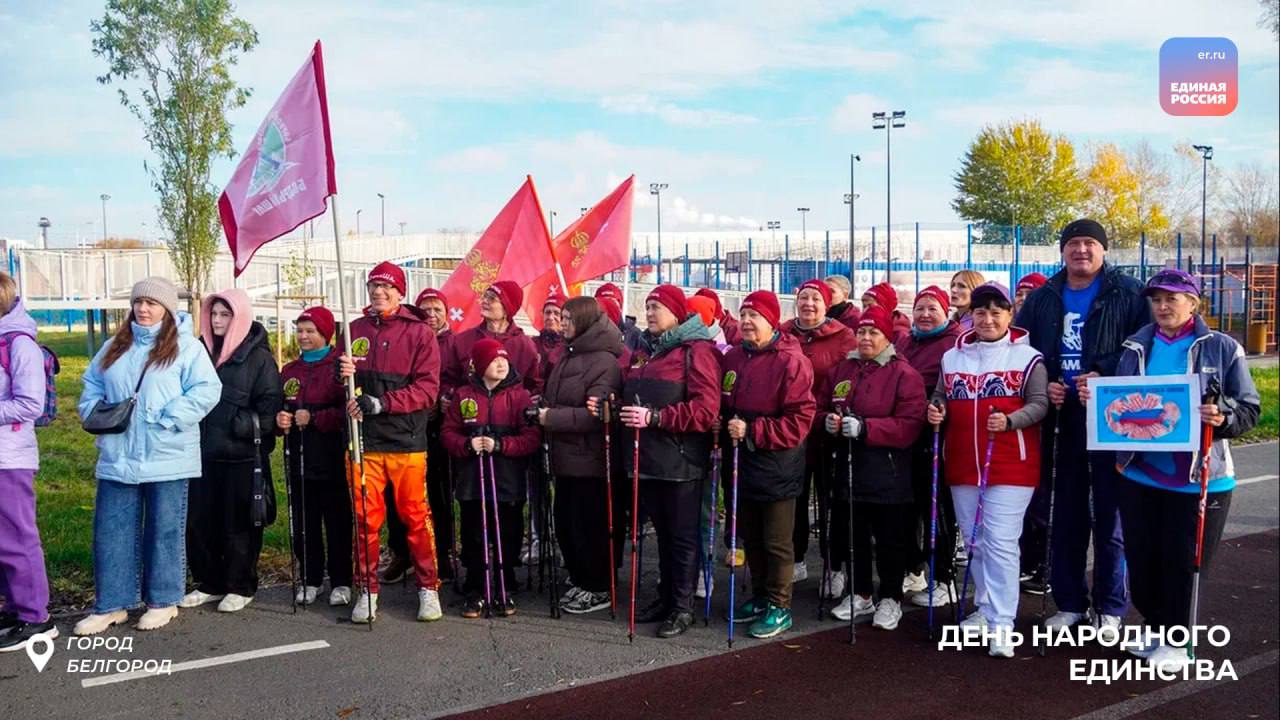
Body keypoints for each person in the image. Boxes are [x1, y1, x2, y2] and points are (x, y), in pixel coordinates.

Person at [1088, 269, 1259, 670]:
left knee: (1182, 561)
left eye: (1173, 299)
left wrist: (1222, 416)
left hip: (1200, 476)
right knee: (1143, 556)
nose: (1163, 307)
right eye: (1157, 300)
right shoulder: (1135, 347)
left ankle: (1177, 639)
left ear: (1193, 304)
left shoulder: (1222, 347)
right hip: (1139, 472)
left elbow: (1249, 408)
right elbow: (1120, 403)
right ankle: (1154, 625)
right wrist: (1095, 391)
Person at [1015, 219, 1149, 635]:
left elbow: (1144, 347)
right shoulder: (1043, 298)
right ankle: (1070, 601)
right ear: (1062, 251)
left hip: (1111, 417)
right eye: (1073, 244)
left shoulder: (1128, 293)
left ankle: (1110, 606)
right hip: (1063, 418)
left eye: (1090, 243)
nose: (1082, 251)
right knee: (1065, 515)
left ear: (1104, 250)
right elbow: (1027, 352)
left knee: (1109, 517)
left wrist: (1103, 374)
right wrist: (1047, 383)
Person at [74, 278, 221, 635]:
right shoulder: (114, 346)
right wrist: (93, 410)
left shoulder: (186, 347)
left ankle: (163, 600)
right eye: (138, 302)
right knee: (111, 531)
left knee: (164, 530)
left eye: (152, 303)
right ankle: (112, 604)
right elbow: (91, 382)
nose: (143, 309)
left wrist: (170, 418)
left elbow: (207, 389)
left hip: (166, 454)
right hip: (118, 454)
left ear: (167, 310)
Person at [927, 283, 1048, 658]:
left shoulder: (1029, 357)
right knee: (975, 541)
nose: (988, 318)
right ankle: (985, 607)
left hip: (1012, 462)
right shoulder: (953, 357)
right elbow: (941, 395)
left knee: (1000, 542)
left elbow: (1040, 403)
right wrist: (936, 410)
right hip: (963, 462)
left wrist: (1012, 421)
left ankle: (1003, 624)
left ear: (1010, 315)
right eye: (981, 312)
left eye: (997, 311)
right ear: (970, 316)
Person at [338, 261, 443, 624]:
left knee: (415, 518)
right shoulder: (354, 330)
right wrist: (344, 377)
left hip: (407, 443)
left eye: (386, 287)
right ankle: (366, 590)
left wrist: (383, 403)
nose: (379, 293)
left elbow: (428, 390)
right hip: (363, 442)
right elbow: (344, 388)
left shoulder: (420, 334)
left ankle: (428, 588)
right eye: (373, 287)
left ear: (400, 292)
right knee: (365, 521)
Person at [618, 285, 721, 638]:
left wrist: (657, 418)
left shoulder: (697, 351)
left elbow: (706, 410)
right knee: (662, 534)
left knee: (681, 537)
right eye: (647, 307)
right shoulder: (645, 350)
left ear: (677, 313)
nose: (649, 313)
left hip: (680, 459)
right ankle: (665, 598)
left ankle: (682, 606)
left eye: (657, 307)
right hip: (647, 458)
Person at [821, 306, 926, 631]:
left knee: (890, 539)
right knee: (854, 535)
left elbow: (909, 425)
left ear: (887, 337)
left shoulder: (904, 374)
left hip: (888, 473)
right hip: (849, 469)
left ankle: (891, 597)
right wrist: (827, 421)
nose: (866, 338)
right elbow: (824, 404)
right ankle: (860, 591)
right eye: (862, 332)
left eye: (874, 333)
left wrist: (868, 428)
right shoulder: (844, 369)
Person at [720, 291, 815, 639]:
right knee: (752, 537)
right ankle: (760, 595)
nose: (746, 321)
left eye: (754, 316)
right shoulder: (733, 357)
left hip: (776, 465)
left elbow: (800, 420)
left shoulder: (791, 362)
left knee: (776, 541)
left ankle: (780, 604)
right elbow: (726, 402)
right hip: (740, 462)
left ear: (772, 321)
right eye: (743, 314)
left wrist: (754, 430)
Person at [180, 289, 282, 614]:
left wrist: (241, 424)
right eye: (214, 314)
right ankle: (210, 582)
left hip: (241, 456)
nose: (218, 320)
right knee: (200, 522)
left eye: (225, 315)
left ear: (239, 318)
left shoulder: (259, 358)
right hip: (200, 454)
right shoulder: (198, 351)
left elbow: (270, 409)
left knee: (239, 524)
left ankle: (241, 585)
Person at [538, 297, 625, 614]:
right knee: (566, 523)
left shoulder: (604, 361)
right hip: (566, 459)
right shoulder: (567, 355)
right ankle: (580, 577)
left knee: (590, 527)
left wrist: (551, 418)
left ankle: (598, 584)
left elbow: (595, 414)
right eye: (561, 317)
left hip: (592, 462)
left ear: (586, 321)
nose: (562, 324)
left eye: (568, 318)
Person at [441, 340, 539, 617]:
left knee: (508, 532)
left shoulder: (519, 396)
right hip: (473, 479)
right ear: (481, 364)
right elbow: (448, 433)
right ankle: (475, 586)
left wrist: (502, 445)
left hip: (507, 480)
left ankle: (505, 581)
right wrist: (465, 445)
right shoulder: (464, 395)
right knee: (473, 533)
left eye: (504, 360)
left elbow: (531, 437)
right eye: (494, 360)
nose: (501, 364)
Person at [780, 279, 856, 594]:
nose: (809, 304)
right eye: (804, 297)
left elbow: (851, 377)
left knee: (831, 501)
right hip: (792, 432)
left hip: (827, 430)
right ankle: (795, 559)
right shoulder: (784, 334)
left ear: (827, 305)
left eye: (816, 299)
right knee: (794, 499)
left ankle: (834, 565)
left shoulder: (843, 337)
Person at [276, 306, 353, 607]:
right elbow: (282, 404)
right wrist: (280, 419)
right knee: (304, 522)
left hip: (331, 455)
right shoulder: (290, 371)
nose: (304, 336)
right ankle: (310, 578)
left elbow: (346, 410)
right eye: (300, 330)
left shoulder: (338, 367)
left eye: (310, 331)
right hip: (299, 456)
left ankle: (342, 580)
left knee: (336, 522)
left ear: (324, 334)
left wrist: (316, 418)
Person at [895, 285, 964, 609]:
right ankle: (914, 567)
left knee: (935, 507)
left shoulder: (954, 344)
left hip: (936, 433)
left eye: (932, 309)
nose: (924, 314)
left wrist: (937, 406)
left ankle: (943, 577)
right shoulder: (905, 341)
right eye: (919, 308)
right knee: (906, 506)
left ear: (945, 311)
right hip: (905, 433)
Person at [383, 287, 457, 585]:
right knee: (395, 493)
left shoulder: (455, 343)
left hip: (439, 427)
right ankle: (401, 552)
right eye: (426, 308)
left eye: (437, 309)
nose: (432, 314)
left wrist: (447, 399)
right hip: (404, 424)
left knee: (437, 494)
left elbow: (463, 378)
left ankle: (442, 552)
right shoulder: (407, 336)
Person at [0, 273, 55, 650]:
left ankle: (36, 617)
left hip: (10, 456)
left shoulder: (20, 345)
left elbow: (30, 404)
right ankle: (15, 607)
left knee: (18, 538)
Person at [597, 282, 647, 353]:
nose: (609, 307)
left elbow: (642, 359)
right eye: (604, 303)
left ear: (620, 307)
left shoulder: (635, 334)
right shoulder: (589, 333)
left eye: (612, 303)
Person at [535, 291, 567, 381]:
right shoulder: (533, 344)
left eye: (556, 313)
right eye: (547, 312)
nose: (550, 317)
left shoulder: (571, 346)